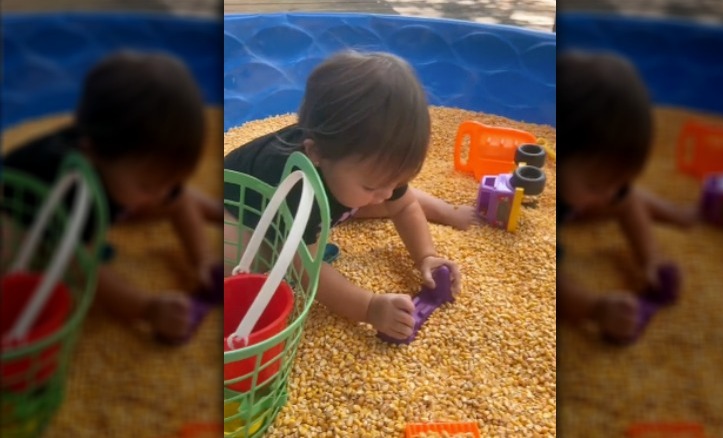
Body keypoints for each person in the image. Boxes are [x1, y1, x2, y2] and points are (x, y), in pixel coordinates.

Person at [224, 51, 470, 340]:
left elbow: (403, 206)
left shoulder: (373, 166)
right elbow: (307, 271)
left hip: (335, 193)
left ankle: (445, 210)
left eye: (397, 181)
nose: (389, 192)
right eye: (372, 185)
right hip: (237, 208)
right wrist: (369, 308)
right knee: (246, 262)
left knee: (377, 199)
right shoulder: (299, 187)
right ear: (316, 154)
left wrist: (426, 256)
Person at [3, 51, 222, 343]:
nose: (162, 194)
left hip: (115, 192)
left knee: (167, 196)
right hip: (20, 209)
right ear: (92, 154)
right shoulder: (76, 189)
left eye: (171, 181)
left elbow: (177, 201)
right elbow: (88, 273)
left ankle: (220, 210)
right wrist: (147, 308)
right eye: (147, 184)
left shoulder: (131, 169)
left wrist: (202, 258)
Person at [556, 51, 697, 343]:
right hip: (566, 205)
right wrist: (595, 308)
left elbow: (626, 201)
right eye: (597, 184)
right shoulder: (554, 202)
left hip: (576, 201)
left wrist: (650, 259)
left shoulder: (591, 184)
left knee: (622, 197)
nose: (608, 195)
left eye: (618, 182)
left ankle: (676, 213)